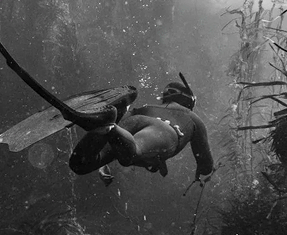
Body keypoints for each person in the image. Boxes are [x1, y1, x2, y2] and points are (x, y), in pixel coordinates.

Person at [67, 75, 213, 185]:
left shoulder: (146, 107)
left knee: (80, 165)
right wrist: (202, 170)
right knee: (131, 154)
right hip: (164, 129)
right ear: (189, 101)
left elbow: (117, 138)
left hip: (135, 119)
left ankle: (106, 121)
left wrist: (102, 157)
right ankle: (109, 125)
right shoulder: (193, 118)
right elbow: (206, 164)